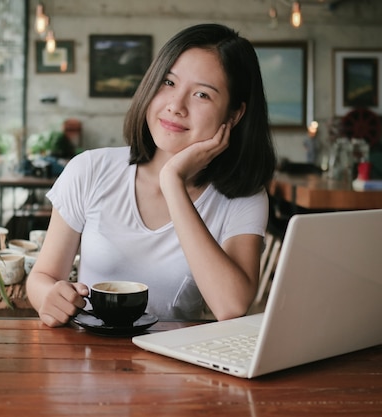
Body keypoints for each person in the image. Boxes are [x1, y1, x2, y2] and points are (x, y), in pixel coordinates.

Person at [26, 23, 276, 327]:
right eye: (169, 83)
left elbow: (231, 305)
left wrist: (173, 181)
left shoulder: (242, 197)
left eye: (201, 94)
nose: (175, 106)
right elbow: (43, 277)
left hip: (176, 367)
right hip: (88, 362)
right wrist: (49, 296)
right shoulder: (90, 170)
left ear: (234, 115)